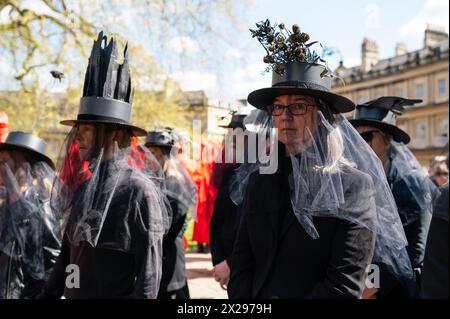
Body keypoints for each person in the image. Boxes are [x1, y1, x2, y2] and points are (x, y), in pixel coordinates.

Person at [228, 20, 410, 299]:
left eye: (298, 106)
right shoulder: (258, 181)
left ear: (323, 116)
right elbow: (241, 263)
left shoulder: (354, 187)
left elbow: (344, 284)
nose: (285, 116)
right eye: (278, 107)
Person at [39, 32, 171, 299]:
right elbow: (69, 258)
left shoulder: (139, 191)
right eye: (79, 128)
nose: (78, 136)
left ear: (113, 134)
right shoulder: (86, 186)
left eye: (87, 129)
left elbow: (148, 279)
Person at [350, 96, 438, 298]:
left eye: (366, 137)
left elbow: (415, 253)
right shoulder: (354, 179)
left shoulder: (412, 184)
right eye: (355, 138)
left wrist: (374, 285)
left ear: (387, 139)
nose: (360, 145)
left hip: (399, 289)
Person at [0, 132, 61, 299]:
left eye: (5, 162)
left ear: (23, 167)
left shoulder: (40, 208)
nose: (1, 167)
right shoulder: (7, 204)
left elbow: (53, 266)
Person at [145, 129, 197, 299]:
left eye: (154, 154)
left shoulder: (173, 186)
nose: (148, 158)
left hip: (169, 263)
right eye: (147, 153)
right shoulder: (150, 182)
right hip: (154, 261)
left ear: (164, 157)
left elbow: (167, 230)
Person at [210, 112, 250, 289]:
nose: (233, 138)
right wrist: (219, 262)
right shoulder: (228, 174)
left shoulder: (267, 175)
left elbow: (259, 230)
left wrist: (231, 263)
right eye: (232, 133)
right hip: (228, 268)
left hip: (252, 267)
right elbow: (216, 222)